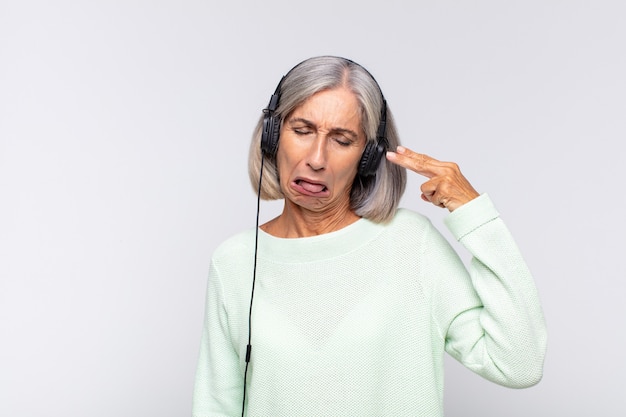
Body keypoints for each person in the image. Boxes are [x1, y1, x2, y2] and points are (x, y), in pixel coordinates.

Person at [192, 56, 547, 417]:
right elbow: (216, 405)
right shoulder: (234, 262)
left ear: (368, 157)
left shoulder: (412, 244)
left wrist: (475, 215)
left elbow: (519, 363)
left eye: (342, 140)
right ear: (271, 136)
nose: (316, 158)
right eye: (302, 131)